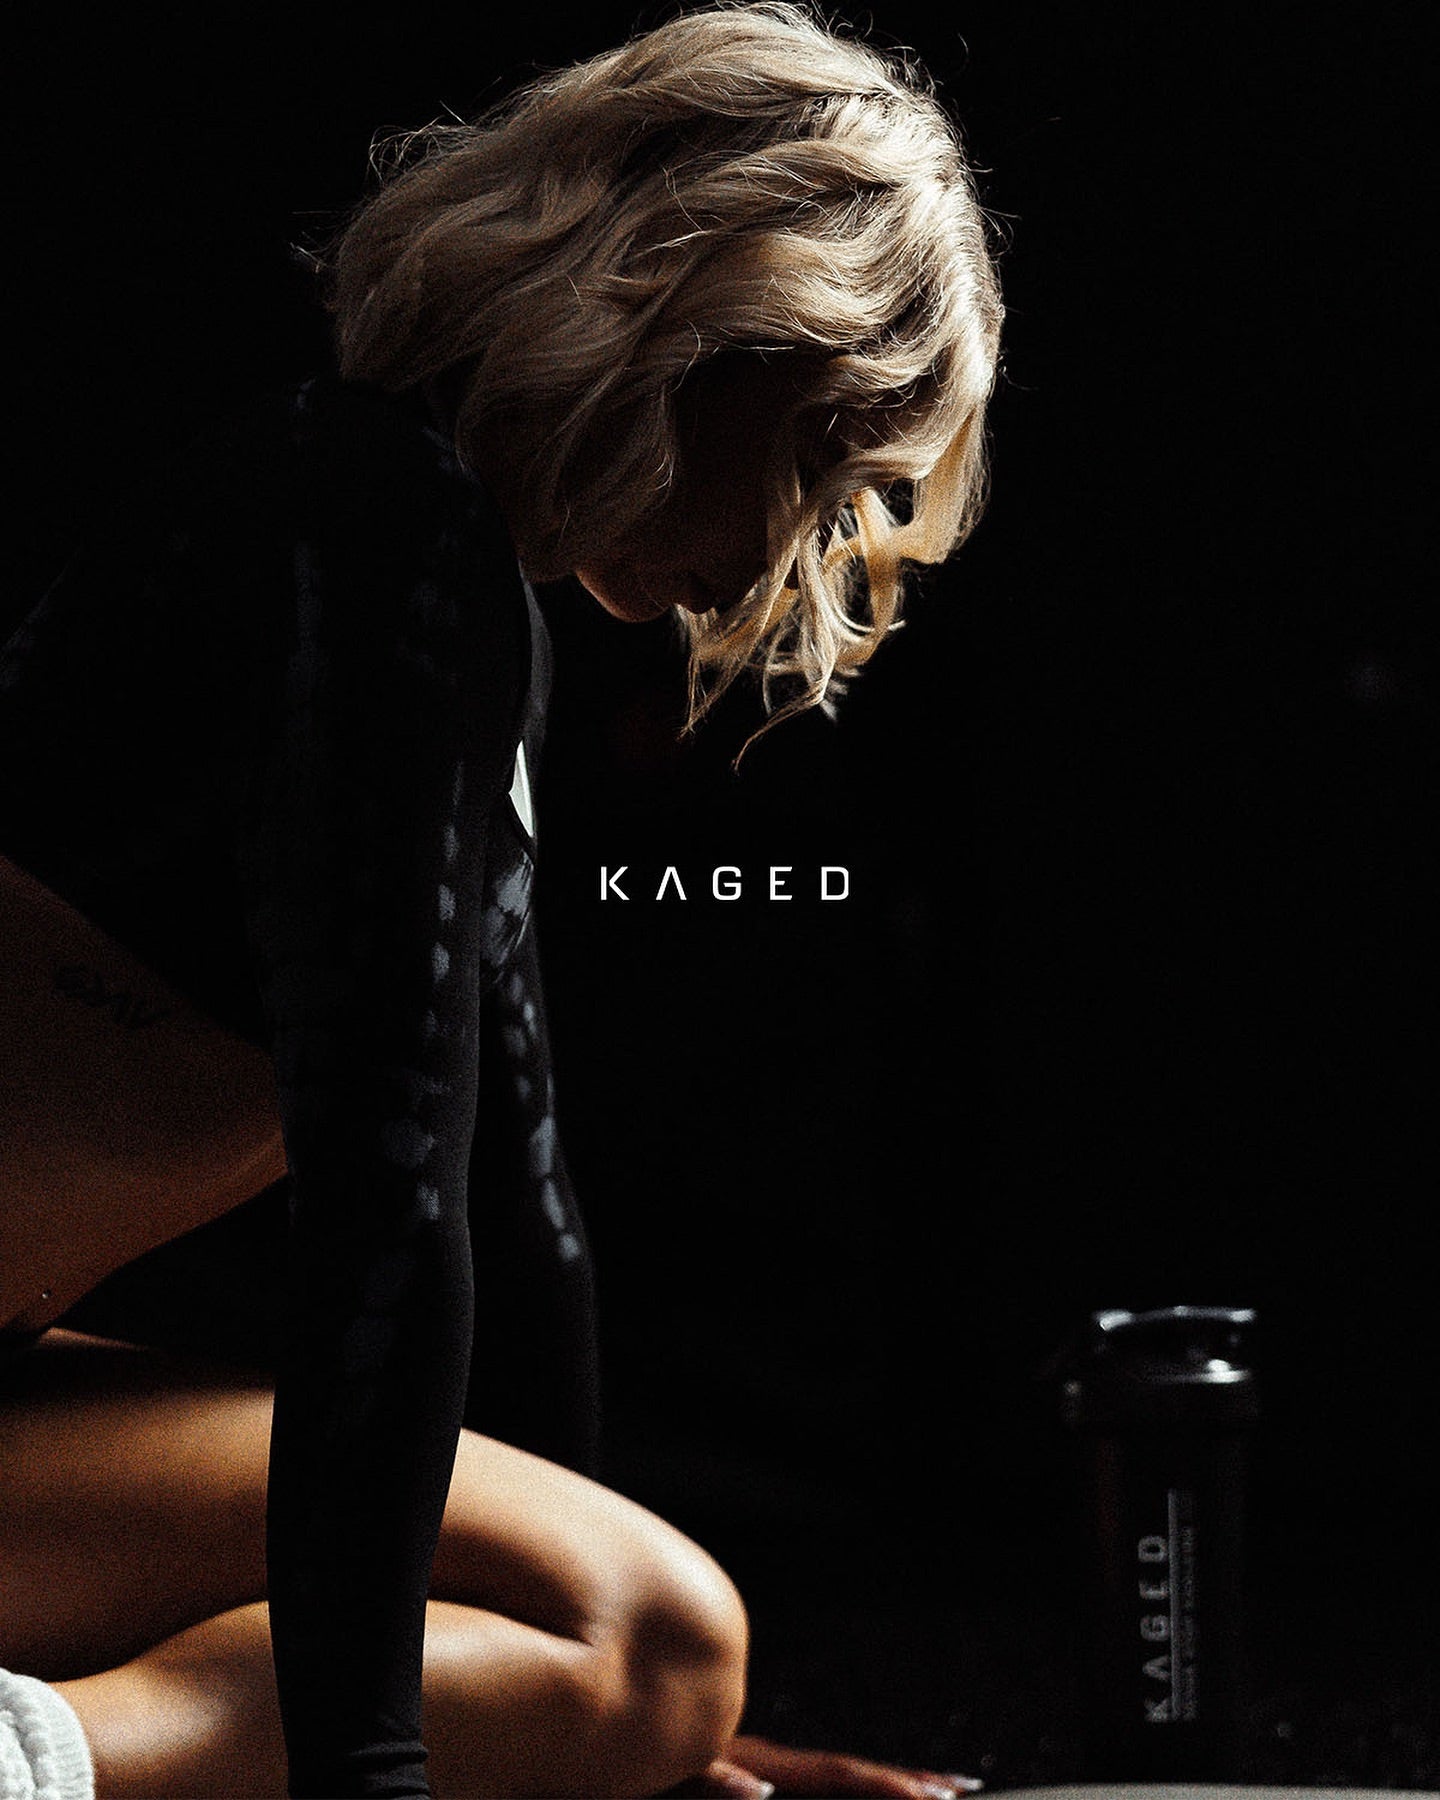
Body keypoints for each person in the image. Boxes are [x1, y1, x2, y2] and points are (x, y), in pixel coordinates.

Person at [0, 3, 1003, 1795]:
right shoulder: (369, 537)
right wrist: (384, 1774)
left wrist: (592, 1742)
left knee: (651, 1642)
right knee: (646, 1639)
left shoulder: (435, 576)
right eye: (825, 442)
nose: (802, 538)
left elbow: (510, 1199)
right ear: (708, 318)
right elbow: (381, 1214)